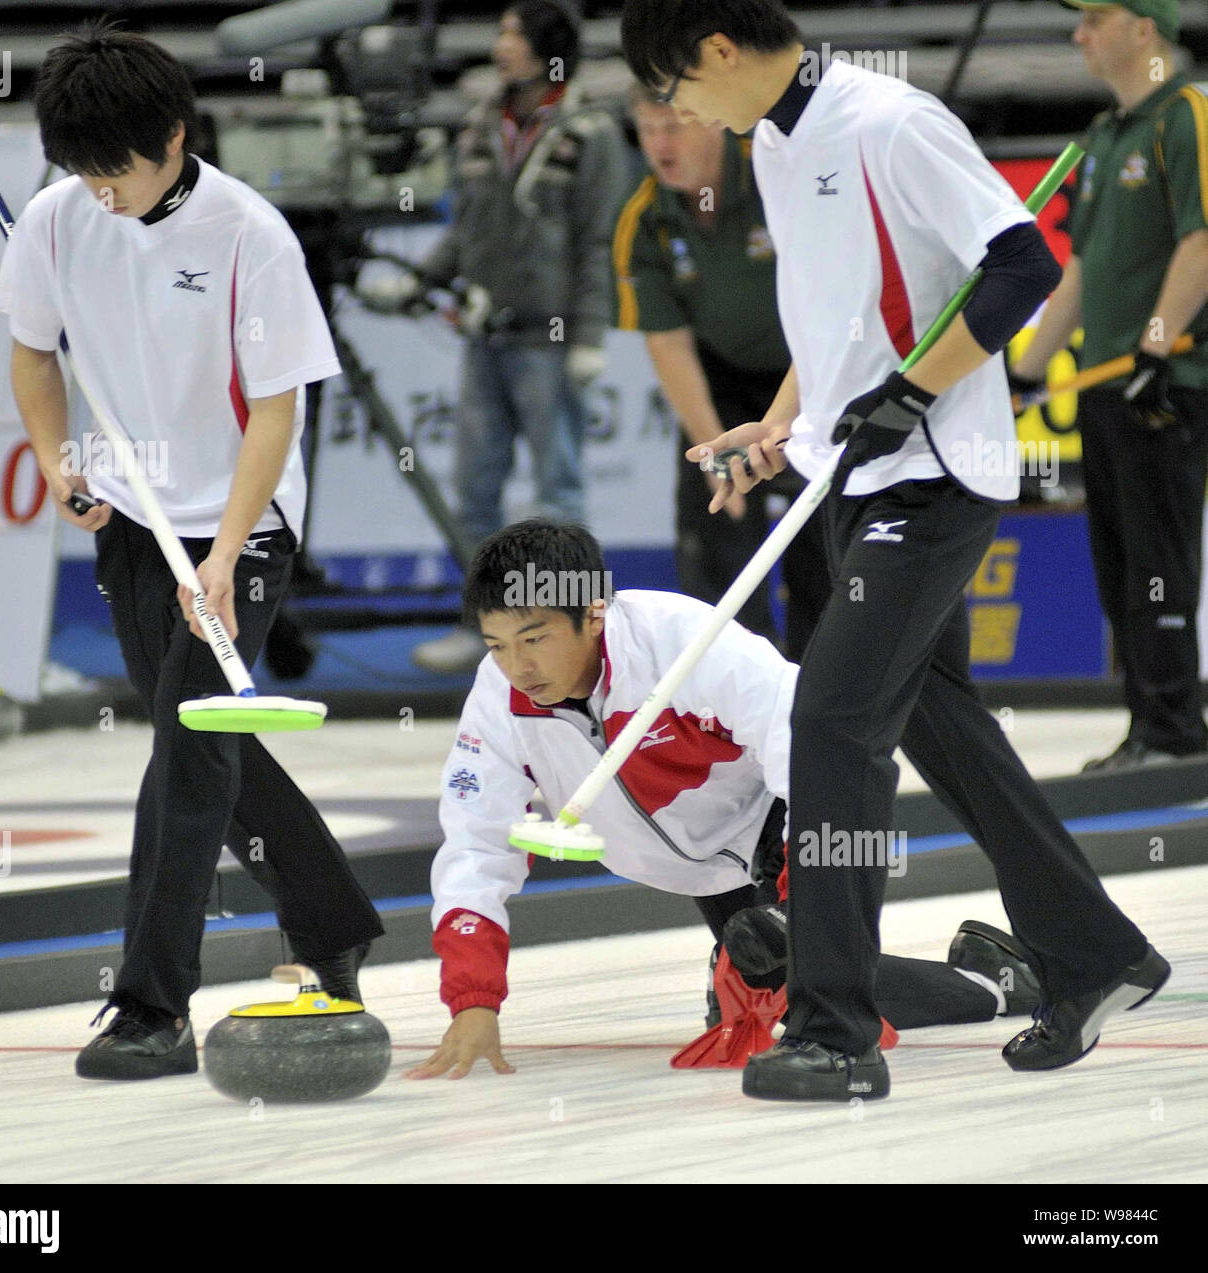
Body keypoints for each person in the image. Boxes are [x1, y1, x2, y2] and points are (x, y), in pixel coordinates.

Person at [621, 0, 1169, 1102]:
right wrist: (780, 423)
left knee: (829, 722)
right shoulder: (774, 139)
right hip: (852, 475)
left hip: (928, 476)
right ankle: (1098, 954)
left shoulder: (891, 124)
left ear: (720, 51)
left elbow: (1017, 269)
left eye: (676, 89)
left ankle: (834, 1030)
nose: (676, 114)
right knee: (940, 725)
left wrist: (915, 388)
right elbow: (837, 329)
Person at [0, 22, 383, 1080]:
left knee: (188, 748)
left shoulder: (248, 234)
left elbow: (274, 409)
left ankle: (151, 1002)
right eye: (77, 168)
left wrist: (230, 548)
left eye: (113, 167)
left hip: (237, 520)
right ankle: (332, 917)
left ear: (172, 134)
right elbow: (32, 349)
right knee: (207, 742)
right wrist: (54, 454)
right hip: (128, 519)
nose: (97, 189)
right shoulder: (56, 218)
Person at [407, 521, 1041, 1079]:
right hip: (701, 865)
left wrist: (803, 905)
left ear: (594, 612)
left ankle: (994, 984)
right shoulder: (499, 699)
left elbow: (817, 752)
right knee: (761, 975)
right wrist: (474, 1001)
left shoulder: (685, 641)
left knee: (794, 981)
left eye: (534, 638)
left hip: (781, 820)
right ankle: (981, 967)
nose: (517, 667)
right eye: (496, 645)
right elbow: (476, 845)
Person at [1012, 0, 1208, 771]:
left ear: (1144, 27)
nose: (1078, 35)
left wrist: (1156, 347)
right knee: (1121, 562)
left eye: (1095, 18)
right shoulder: (1103, 136)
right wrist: (1025, 371)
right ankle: (1150, 727)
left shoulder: (1187, 116)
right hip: (1108, 380)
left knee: (1158, 559)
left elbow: (1202, 237)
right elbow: (1082, 269)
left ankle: (1174, 733)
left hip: (1162, 379)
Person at [407, 1, 628, 674]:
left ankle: (571, 633)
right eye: (499, 30)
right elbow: (465, 226)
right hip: (485, 336)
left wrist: (589, 333)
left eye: (512, 34)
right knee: (475, 488)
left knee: (558, 493)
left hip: (550, 340)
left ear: (546, 48)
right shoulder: (480, 123)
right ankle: (485, 628)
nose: (500, 45)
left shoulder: (590, 131)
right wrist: (419, 280)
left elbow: (599, 243)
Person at [616, 84, 830, 656]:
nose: (659, 144)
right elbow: (670, 345)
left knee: (825, 541)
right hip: (722, 383)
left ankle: (820, 699)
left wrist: (791, 417)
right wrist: (712, 450)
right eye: (646, 129)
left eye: (673, 127)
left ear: (710, 122)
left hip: (816, 370)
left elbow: (834, 293)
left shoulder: (774, 175)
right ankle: (733, 699)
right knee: (715, 533)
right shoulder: (645, 220)